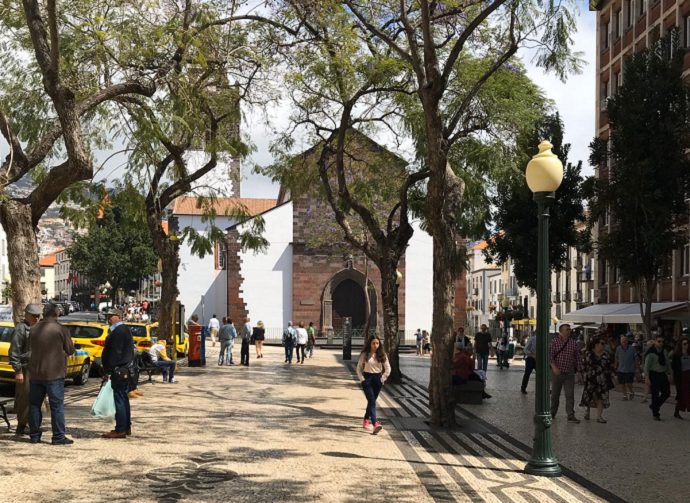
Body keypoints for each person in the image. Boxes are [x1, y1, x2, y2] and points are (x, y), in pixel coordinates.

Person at [27, 303, 75, 444]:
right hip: (54, 374)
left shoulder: (34, 329)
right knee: (57, 406)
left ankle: (34, 436)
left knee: (35, 405)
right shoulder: (61, 329)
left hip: (36, 373)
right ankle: (58, 436)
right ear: (56, 314)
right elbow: (70, 350)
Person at [8, 304, 42, 436]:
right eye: (33, 315)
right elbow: (14, 352)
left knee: (37, 398)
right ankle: (21, 426)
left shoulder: (38, 328)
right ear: (26, 314)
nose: (36, 318)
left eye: (38, 316)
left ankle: (33, 425)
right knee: (24, 398)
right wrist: (18, 371)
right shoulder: (21, 329)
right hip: (25, 367)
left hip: (37, 367)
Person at [101, 308, 135, 439]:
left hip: (119, 370)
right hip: (124, 369)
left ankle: (120, 429)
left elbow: (116, 353)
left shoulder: (119, 331)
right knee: (123, 399)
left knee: (119, 400)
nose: (109, 318)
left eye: (111, 316)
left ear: (119, 317)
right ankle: (126, 426)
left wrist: (109, 371)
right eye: (108, 316)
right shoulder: (123, 330)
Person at [356, 335, 391, 435]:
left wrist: (383, 378)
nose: (375, 345)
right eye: (373, 343)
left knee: (372, 401)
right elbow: (358, 368)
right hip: (367, 379)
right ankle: (375, 423)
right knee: (372, 401)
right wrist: (362, 379)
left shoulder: (382, 354)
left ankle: (366, 419)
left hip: (377, 379)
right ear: (370, 344)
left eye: (377, 343)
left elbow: (388, 368)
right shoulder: (365, 354)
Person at [550, 324, 584, 423]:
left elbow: (577, 358)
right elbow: (550, 356)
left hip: (569, 372)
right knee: (555, 395)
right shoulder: (554, 342)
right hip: (558, 372)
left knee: (570, 395)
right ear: (561, 331)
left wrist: (580, 372)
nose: (569, 331)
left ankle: (570, 415)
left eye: (570, 329)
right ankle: (552, 413)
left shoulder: (573, 343)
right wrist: (554, 368)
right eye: (567, 329)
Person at [580, 337, 614, 423]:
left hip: (602, 379)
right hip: (591, 379)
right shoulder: (589, 354)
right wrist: (583, 376)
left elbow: (609, 366)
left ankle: (599, 416)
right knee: (589, 395)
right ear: (596, 344)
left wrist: (613, 376)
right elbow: (585, 366)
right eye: (602, 343)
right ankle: (587, 412)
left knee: (601, 397)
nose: (603, 345)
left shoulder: (606, 354)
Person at [645, 336, 673, 420]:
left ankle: (654, 406)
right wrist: (646, 377)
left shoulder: (664, 351)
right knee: (655, 394)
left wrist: (671, 373)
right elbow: (646, 366)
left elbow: (667, 363)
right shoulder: (651, 353)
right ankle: (655, 413)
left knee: (667, 392)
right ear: (655, 342)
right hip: (654, 374)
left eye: (662, 342)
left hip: (662, 374)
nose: (661, 343)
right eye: (659, 341)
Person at [615, 335, 638, 401]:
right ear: (620, 342)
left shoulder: (632, 348)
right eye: (622, 341)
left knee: (629, 383)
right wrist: (615, 366)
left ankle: (631, 391)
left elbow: (636, 358)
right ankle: (624, 395)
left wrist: (637, 368)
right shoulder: (618, 348)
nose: (624, 343)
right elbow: (616, 357)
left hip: (630, 368)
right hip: (621, 368)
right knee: (622, 383)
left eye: (625, 341)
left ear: (627, 341)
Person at [672, 336, 690, 419]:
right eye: (684, 344)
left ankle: (677, 411)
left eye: (687, 343)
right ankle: (677, 411)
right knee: (684, 394)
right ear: (681, 345)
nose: (687, 345)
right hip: (682, 376)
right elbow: (675, 368)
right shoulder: (677, 355)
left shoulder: (689, 353)